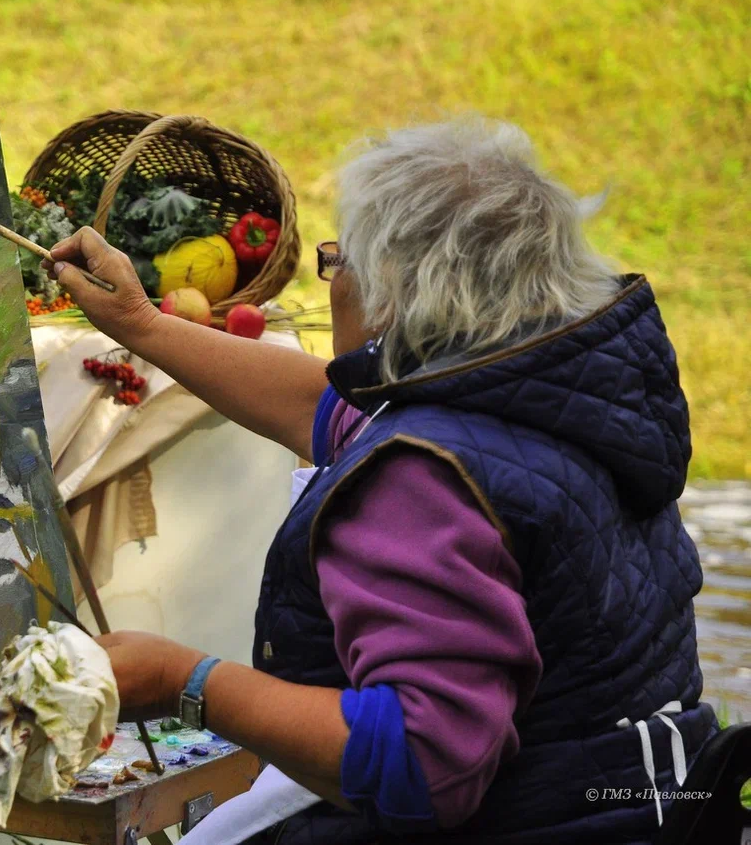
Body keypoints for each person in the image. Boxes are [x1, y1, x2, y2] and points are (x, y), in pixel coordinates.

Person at [42, 117, 715, 844]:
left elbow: (423, 768)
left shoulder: (421, 476)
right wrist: (141, 323)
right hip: (646, 808)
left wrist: (186, 681)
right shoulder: (556, 391)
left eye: (340, 263)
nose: (334, 284)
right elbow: (320, 405)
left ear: (394, 289)